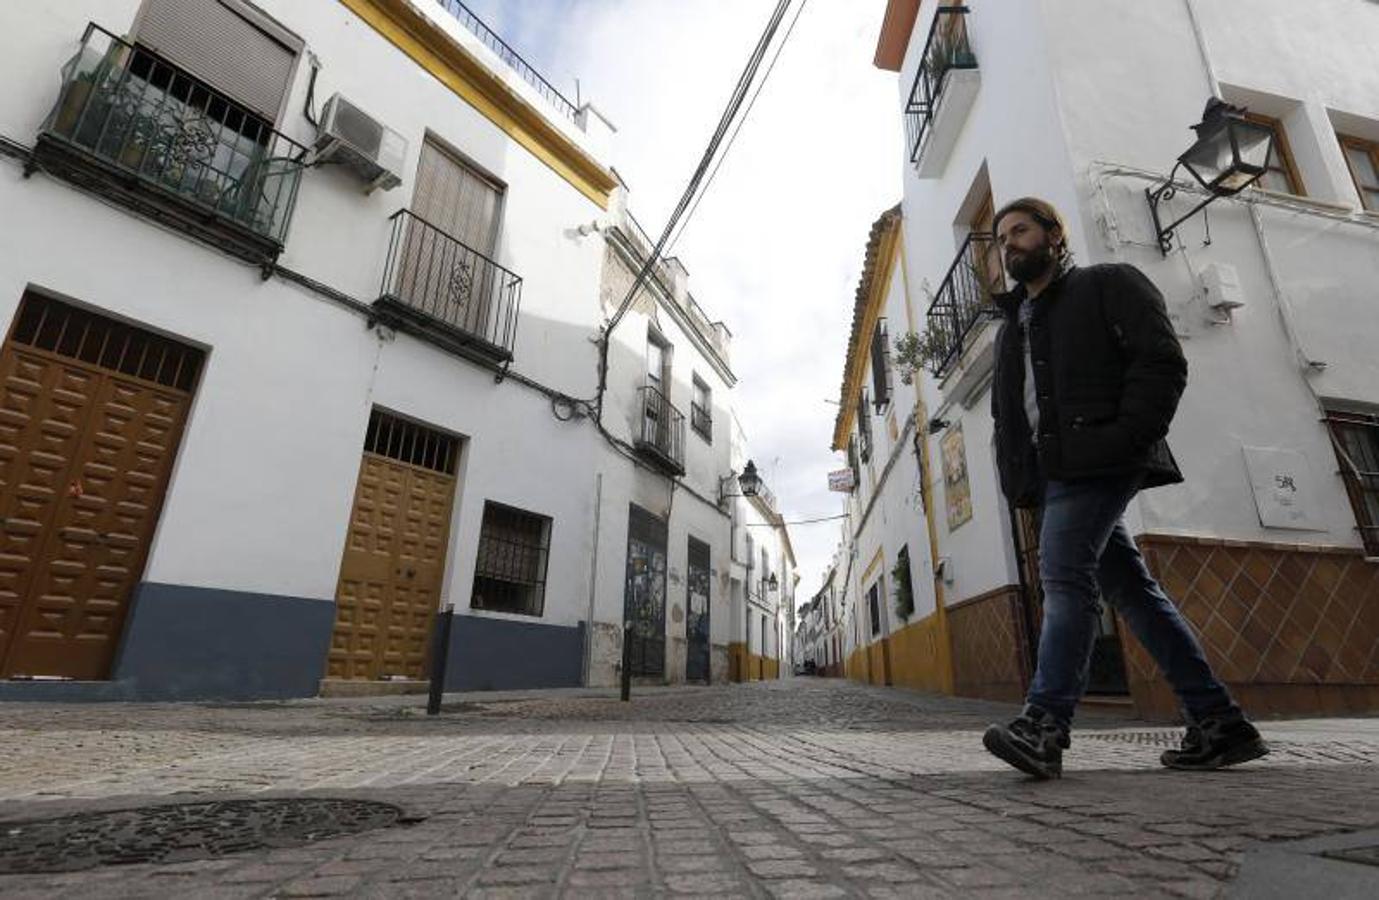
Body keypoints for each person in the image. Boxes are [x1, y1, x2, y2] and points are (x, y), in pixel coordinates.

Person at [980, 197, 1268, 779]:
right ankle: (1220, 722)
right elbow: (1009, 417)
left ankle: (1044, 725)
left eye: (1021, 230)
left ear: (1054, 236)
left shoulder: (1109, 284)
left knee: (1064, 578)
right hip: (1055, 473)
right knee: (1133, 592)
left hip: (1102, 459)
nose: (1010, 243)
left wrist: (1128, 437)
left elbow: (1161, 360)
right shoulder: (1013, 329)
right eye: (1001, 237)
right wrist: (1021, 479)